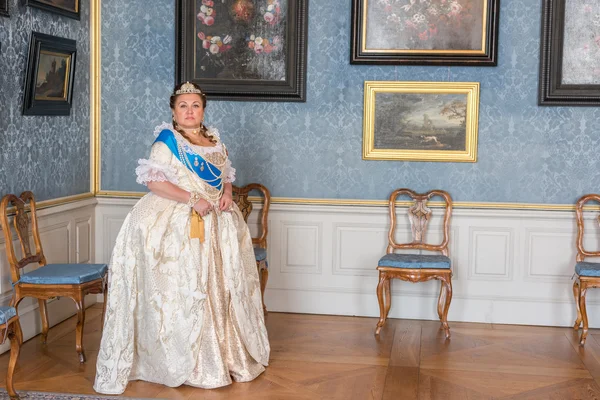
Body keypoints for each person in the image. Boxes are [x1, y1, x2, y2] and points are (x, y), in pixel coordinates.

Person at [93, 82, 270, 394]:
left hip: (216, 221)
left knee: (219, 287)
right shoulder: (166, 142)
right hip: (177, 223)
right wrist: (192, 200)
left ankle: (225, 355)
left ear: (203, 109)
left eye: (195, 105)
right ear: (174, 111)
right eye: (183, 106)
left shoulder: (212, 140)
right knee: (189, 289)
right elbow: (154, 182)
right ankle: (190, 361)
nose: (190, 111)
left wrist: (227, 193)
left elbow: (225, 175)